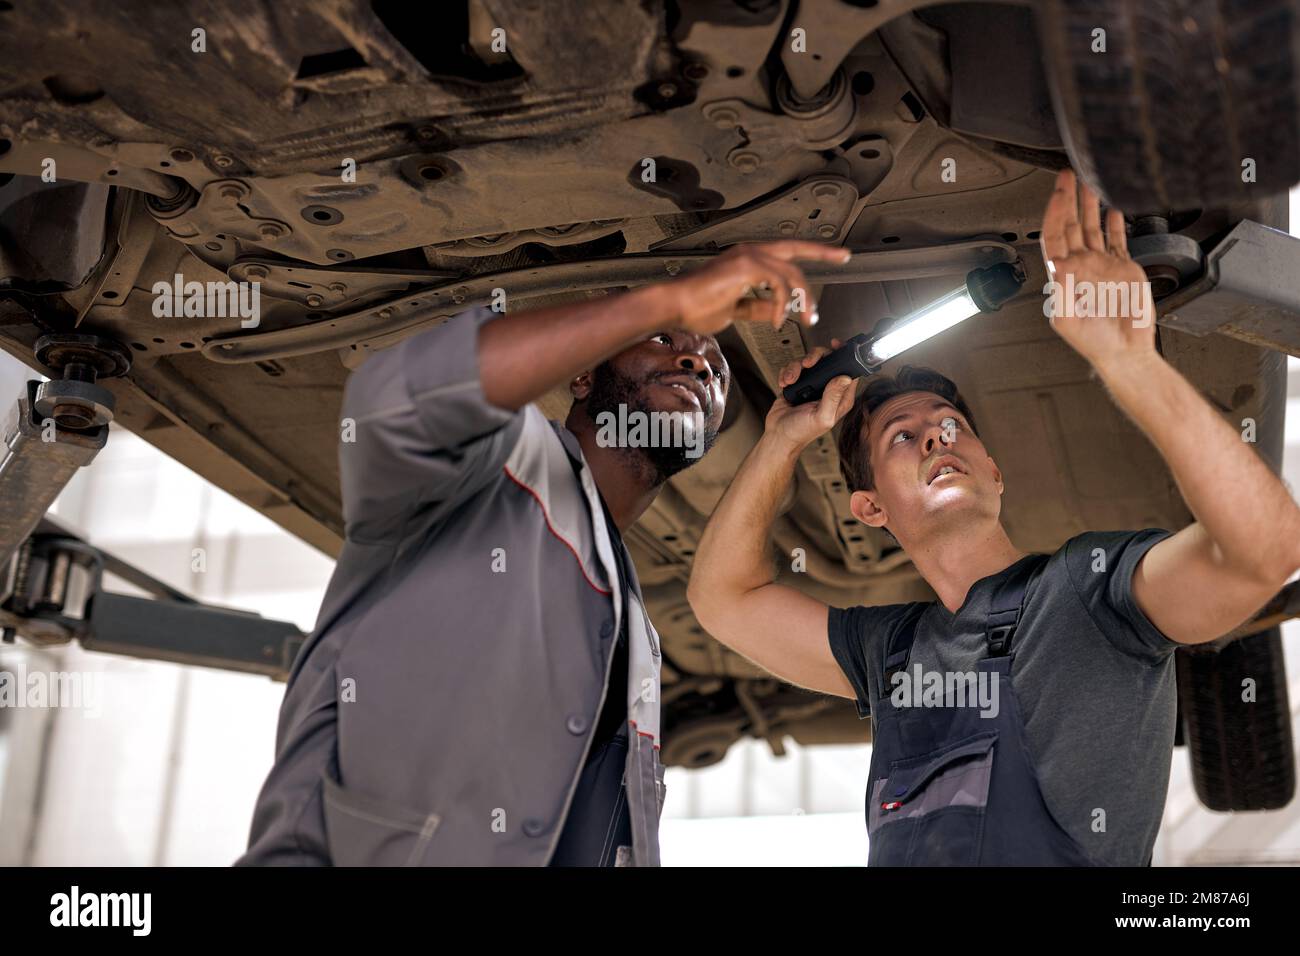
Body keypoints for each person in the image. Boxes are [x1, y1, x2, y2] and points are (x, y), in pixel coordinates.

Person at [687, 169, 1300, 865]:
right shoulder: (890, 652)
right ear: (870, 508)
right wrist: (781, 438)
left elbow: (1266, 549)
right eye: (901, 436)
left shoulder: (1088, 591)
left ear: (996, 474)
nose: (934, 438)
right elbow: (722, 599)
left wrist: (1126, 359)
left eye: (950, 426)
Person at [237, 240, 851, 866]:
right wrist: (666, 300)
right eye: (666, 342)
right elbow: (397, 397)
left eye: (717, 372)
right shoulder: (490, 464)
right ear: (583, 374)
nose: (698, 364)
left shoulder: (633, 625)